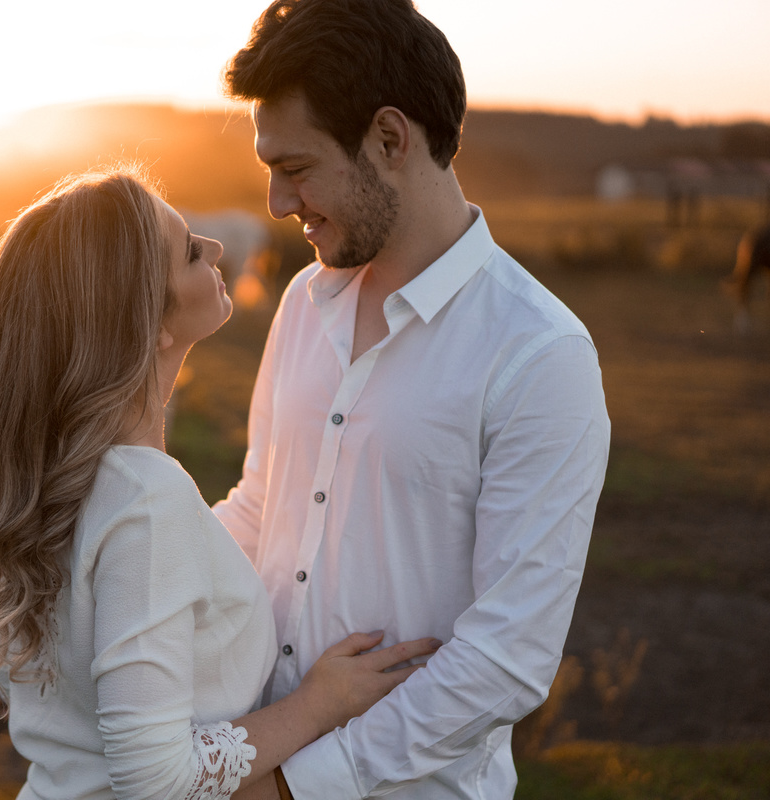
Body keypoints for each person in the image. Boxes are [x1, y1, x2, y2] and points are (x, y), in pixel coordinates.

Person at [211, 1, 612, 798]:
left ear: (390, 140)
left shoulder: (540, 356)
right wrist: (100, 614)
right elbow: (261, 509)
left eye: (295, 168)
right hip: (250, 756)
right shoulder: (302, 302)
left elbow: (504, 659)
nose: (278, 205)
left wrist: (300, 785)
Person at [0, 168, 442, 800]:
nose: (218, 249)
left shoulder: (55, 479)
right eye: (189, 252)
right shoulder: (145, 503)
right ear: (146, 325)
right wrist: (319, 705)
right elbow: (155, 780)